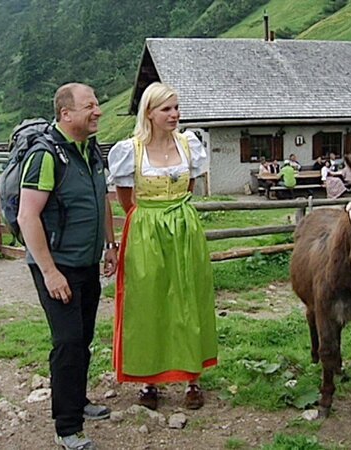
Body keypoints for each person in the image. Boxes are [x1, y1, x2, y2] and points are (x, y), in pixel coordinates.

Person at [17, 82, 118, 450]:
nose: (98, 111)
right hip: (57, 266)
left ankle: (78, 402)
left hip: (87, 262)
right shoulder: (45, 156)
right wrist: (49, 272)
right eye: (90, 105)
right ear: (66, 114)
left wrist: (110, 245)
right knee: (68, 343)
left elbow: (101, 199)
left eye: (97, 103)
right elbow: (28, 217)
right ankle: (67, 428)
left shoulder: (89, 150)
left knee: (84, 338)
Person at [107, 82, 217, 412]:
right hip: (146, 230)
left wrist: (173, 214)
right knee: (148, 301)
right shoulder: (131, 150)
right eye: (166, 109)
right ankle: (148, 380)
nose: (174, 114)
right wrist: (150, 219)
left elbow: (190, 187)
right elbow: (127, 199)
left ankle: (192, 378)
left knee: (189, 298)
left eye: (176, 108)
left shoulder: (189, 145)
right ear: (149, 113)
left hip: (184, 228)